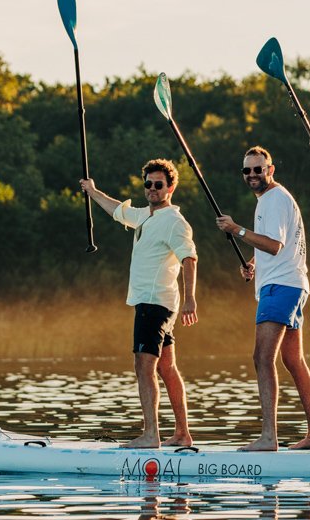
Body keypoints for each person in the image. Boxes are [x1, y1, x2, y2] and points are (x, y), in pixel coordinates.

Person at [80, 159, 198, 449]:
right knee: (166, 367)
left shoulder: (174, 221)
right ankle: (182, 434)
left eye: (159, 184)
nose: (152, 189)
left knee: (143, 366)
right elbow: (117, 210)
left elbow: (189, 258)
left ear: (170, 188)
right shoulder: (144, 215)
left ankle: (150, 434)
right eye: (148, 184)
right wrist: (93, 192)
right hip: (153, 303)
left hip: (155, 303)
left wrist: (191, 299)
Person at [216, 146, 310, 451]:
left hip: (281, 286)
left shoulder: (274, 198)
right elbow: (276, 244)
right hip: (291, 284)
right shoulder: (271, 199)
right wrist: (253, 262)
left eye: (258, 169)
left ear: (270, 170)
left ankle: (268, 437)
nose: (252, 174)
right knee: (293, 360)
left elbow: (275, 245)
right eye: (247, 170)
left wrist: (236, 230)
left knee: (262, 358)